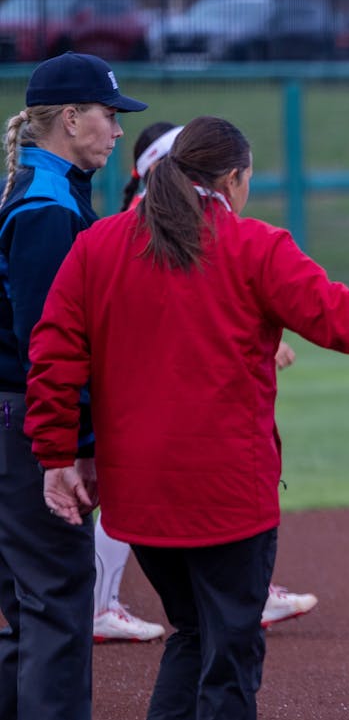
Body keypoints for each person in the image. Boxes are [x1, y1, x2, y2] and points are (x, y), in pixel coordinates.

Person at [25, 115, 349, 720]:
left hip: (138, 494)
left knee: (190, 634)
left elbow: (53, 355)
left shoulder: (98, 244)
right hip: (228, 494)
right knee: (229, 655)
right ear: (235, 179)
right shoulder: (252, 246)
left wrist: (57, 456)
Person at [90, 122, 317, 643]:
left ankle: (243, 594)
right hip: (172, 434)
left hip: (142, 426)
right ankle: (102, 603)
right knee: (217, 635)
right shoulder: (148, 227)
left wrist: (257, 330)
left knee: (193, 633)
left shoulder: (120, 232)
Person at [0, 51, 147, 719]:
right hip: (29, 425)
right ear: (69, 118)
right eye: (108, 115)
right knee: (58, 598)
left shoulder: (47, 191)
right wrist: (75, 444)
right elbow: (51, 345)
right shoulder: (47, 208)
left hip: (17, 419)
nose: (116, 131)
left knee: (26, 608)